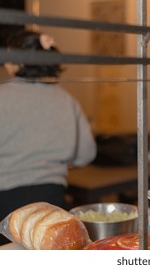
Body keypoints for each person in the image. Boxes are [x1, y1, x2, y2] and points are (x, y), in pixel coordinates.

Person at [0, 30, 97, 245]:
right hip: (51, 200)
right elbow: (86, 154)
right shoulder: (66, 100)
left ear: (18, 61)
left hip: (3, 200)